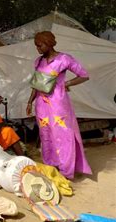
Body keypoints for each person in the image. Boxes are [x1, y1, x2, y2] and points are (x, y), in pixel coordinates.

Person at [26, 31, 91, 179]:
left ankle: (66, 170)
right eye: (36, 46)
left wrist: (64, 83)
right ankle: (51, 166)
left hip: (58, 104)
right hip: (41, 105)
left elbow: (84, 75)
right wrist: (30, 101)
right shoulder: (39, 62)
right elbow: (37, 84)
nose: (38, 49)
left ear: (48, 43)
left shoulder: (64, 59)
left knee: (63, 135)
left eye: (40, 45)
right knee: (46, 135)